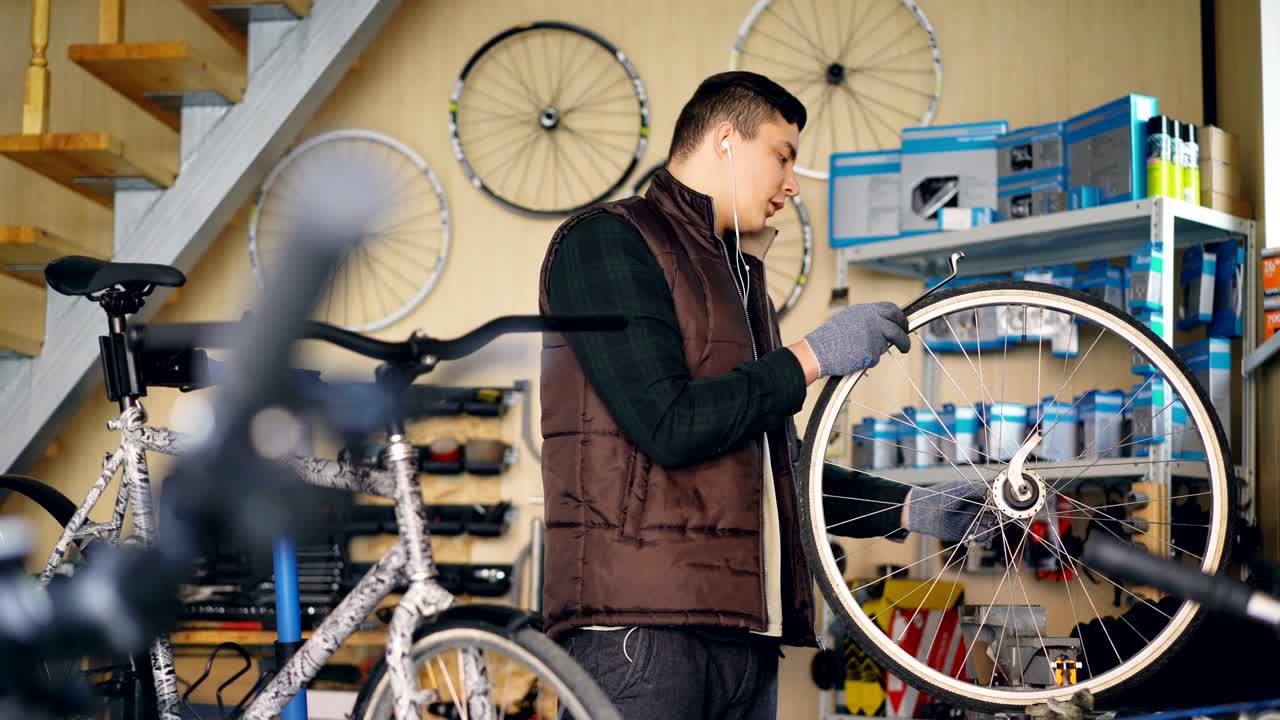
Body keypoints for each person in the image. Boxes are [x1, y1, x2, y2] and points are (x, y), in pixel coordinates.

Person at [537, 71, 987, 719]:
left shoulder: (743, 284)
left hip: (744, 638)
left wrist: (914, 508)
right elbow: (669, 424)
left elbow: (776, 472)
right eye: (783, 156)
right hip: (640, 634)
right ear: (725, 139)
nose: (792, 185)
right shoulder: (609, 241)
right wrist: (812, 356)